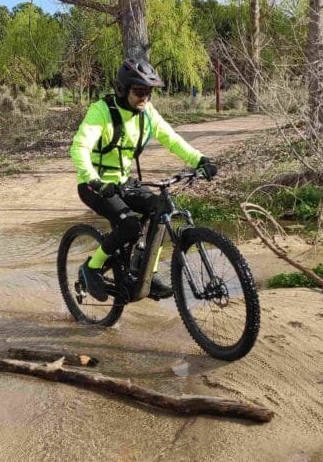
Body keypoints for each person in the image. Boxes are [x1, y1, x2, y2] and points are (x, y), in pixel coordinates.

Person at [70, 58, 217, 302]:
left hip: (123, 182)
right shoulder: (102, 111)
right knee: (130, 226)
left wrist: (200, 159)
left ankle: (147, 270)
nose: (145, 98)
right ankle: (91, 268)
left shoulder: (146, 112)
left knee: (160, 209)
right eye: (139, 92)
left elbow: (172, 139)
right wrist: (95, 180)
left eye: (148, 93)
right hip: (94, 185)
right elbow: (80, 147)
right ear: (122, 89)